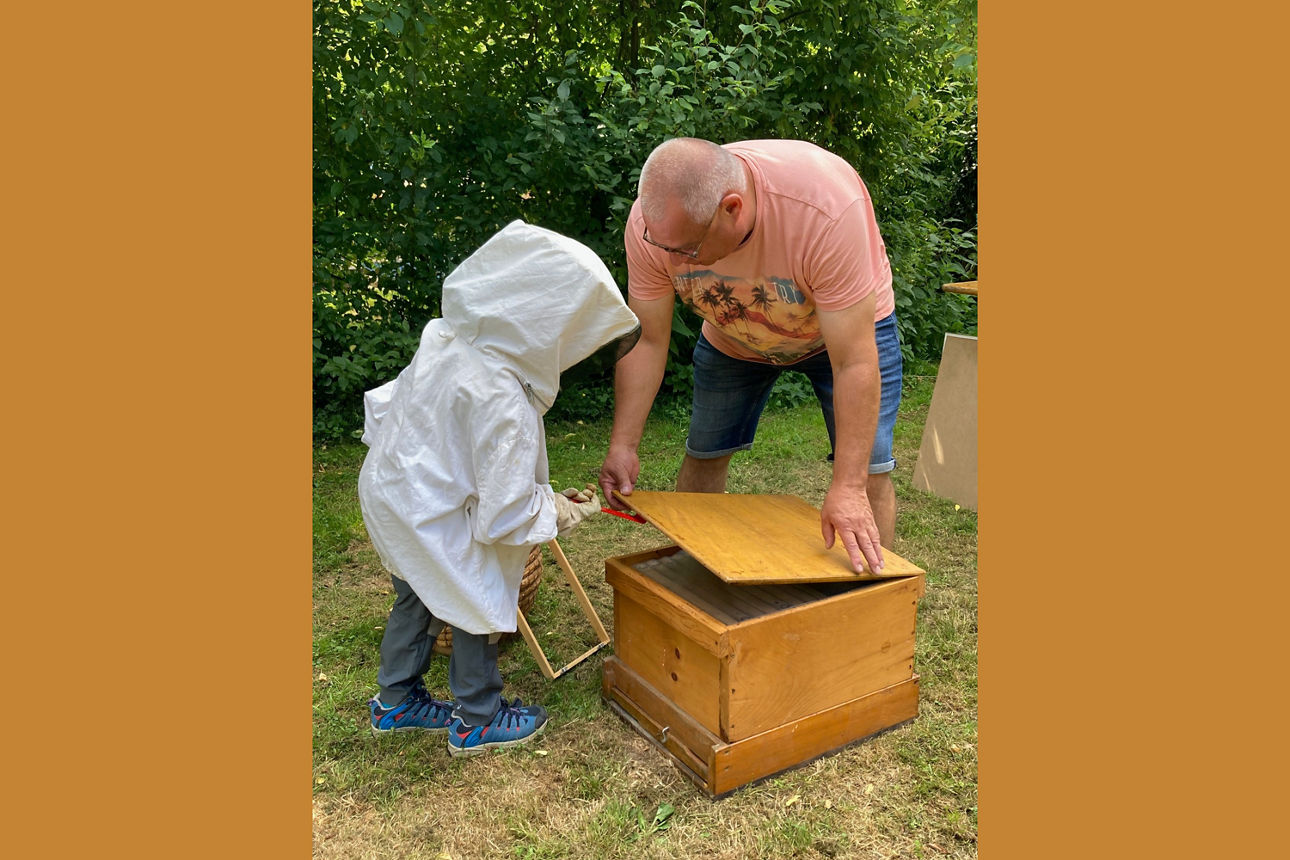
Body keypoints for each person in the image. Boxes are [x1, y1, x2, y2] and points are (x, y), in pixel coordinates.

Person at [359, 220, 640, 757]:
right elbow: (503, 518)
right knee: (477, 586)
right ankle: (478, 717)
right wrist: (558, 510)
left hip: (393, 492)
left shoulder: (444, 339)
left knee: (417, 590)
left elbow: (395, 413)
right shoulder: (503, 398)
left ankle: (395, 701)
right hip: (432, 510)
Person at [598, 138, 902, 575]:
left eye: (686, 251)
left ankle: (870, 604)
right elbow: (646, 340)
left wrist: (847, 486)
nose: (672, 260)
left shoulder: (824, 209)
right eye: (661, 245)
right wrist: (623, 445)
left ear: (732, 208)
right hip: (733, 337)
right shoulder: (658, 226)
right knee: (704, 455)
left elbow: (854, 361)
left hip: (844, 335)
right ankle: (698, 583)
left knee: (868, 472)